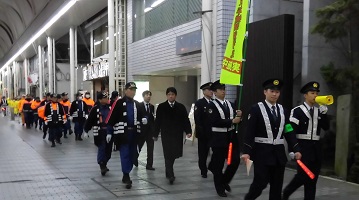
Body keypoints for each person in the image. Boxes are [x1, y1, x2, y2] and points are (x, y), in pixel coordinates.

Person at [242, 79, 302, 200]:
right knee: (260, 184)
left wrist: (296, 148)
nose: (274, 94)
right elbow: (249, 132)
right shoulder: (256, 109)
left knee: (277, 187)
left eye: (277, 92)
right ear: (265, 92)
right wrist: (246, 152)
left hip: (278, 155)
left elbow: (289, 130)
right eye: (272, 91)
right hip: (261, 154)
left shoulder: (283, 110)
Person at [282, 81, 330, 200]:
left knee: (313, 179)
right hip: (303, 147)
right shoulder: (297, 111)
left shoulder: (319, 111)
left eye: (316, 93)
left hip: (316, 148)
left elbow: (326, 127)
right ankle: (287, 191)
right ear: (305, 95)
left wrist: (324, 113)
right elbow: (290, 131)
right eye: (312, 93)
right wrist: (293, 149)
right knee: (303, 175)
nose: (315, 96)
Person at [106, 82, 145, 189]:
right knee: (125, 153)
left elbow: (142, 117)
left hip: (134, 133)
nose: (133, 92)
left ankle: (126, 173)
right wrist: (109, 132)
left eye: (134, 90)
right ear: (125, 90)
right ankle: (126, 175)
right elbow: (111, 118)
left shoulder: (137, 104)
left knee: (133, 154)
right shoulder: (118, 103)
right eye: (131, 89)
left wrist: (144, 120)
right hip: (123, 133)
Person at [206, 80, 242, 197]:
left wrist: (239, 117)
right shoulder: (211, 106)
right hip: (218, 139)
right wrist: (231, 121)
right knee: (219, 164)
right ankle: (219, 188)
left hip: (231, 138)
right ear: (215, 92)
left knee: (234, 161)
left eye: (224, 89)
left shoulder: (230, 104)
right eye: (221, 90)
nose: (223, 91)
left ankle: (224, 180)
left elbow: (236, 121)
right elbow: (214, 121)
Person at [154, 87, 192, 185]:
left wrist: (188, 131)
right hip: (166, 135)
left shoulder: (181, 107)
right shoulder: (162, 107)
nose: (171, 96)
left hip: (177, 135)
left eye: (172, 94)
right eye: (169, 94)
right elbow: (157, 121)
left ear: (175, 95)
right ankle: (171, 174)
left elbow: (185, 120)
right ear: (166, 95)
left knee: (174, 154)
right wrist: (155, 134)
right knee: (167, 154)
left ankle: (168, 171)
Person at [84, 91, 113, 176]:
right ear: (100, 99)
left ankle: (105, 162)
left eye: (107, 97)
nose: (107, 99)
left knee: (108, 150)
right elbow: (90, 120)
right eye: (105, 98)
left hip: (109, 131)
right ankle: (101, 165)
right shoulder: (95, 108)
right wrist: (86, 130)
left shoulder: (110, 107)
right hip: (100, 132)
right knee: (102, 148)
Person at [194, 82, 213, 178]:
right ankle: (203, 170)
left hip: (213, 133)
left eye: (212, 90)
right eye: (209, 90)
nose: (211, 92)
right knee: (203, 153)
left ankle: (212, 167)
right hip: (203, 133)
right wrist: (201, 131)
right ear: (204, 91)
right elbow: (197, 119)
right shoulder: (199, 103)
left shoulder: (214, 102)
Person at [137, 90, 155, 170]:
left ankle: (149, 164)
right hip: (142, 130)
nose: (149, 96)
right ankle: (134, 159)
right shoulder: (139, 105)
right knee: (139, 146)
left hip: (150, 131)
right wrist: (141, 121)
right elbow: (137, 117)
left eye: (150, 95)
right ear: (143, 96)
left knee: (150, 148)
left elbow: (152, 118)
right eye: (147, 95)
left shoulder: (152, 106)